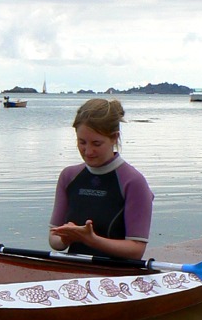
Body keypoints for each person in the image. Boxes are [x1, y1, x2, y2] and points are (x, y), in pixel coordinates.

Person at [48, 98, 154, 260]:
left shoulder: (133, 182)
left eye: (96, 143)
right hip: (73, 271)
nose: (88, 151)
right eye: (82, 142)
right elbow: (54, 239)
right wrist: (64, 238)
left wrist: (92, 240)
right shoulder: (68, 176)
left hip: (118, 274)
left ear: (114, 138)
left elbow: (136, 249)